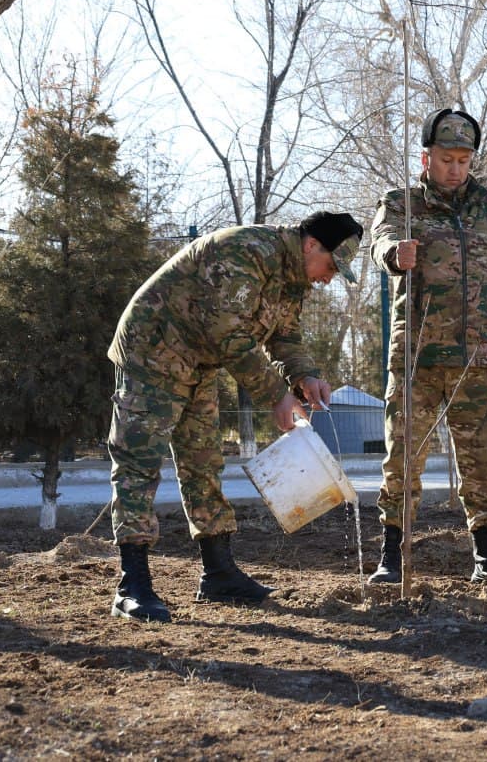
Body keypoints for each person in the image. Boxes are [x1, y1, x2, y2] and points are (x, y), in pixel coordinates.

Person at [106, 211, 364, 622]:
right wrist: (276, 396)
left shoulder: (294, 279)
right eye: (332, 266)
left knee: (203, 462)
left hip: (199, 363)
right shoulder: (246, 251)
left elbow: (285, 335)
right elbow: (227, 332)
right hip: (152, 351)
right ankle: (132, 584)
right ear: (311, 244)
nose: (329, 278)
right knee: (139, 463)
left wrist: (304, 374)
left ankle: (218, 574)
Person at [369, 108, 487, 585]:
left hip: (477, 359)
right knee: (402, 459)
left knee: (478, 462)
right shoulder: (401, 203)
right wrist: (393, 254)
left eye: (464, 160)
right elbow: (380, 238)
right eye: (447, 159)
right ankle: (392, 556)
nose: (455, 169)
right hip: (416, 359)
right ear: (426, 158)